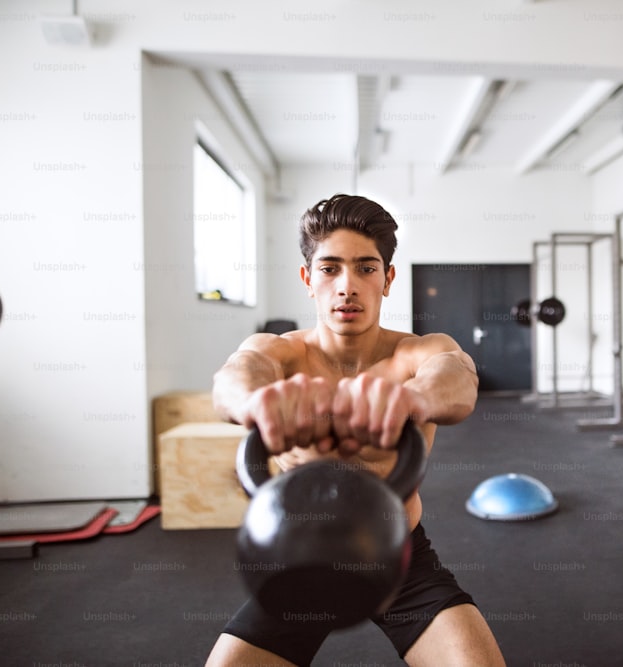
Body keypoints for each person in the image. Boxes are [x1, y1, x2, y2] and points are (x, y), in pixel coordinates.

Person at [205, 194, 506, 667]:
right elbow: (236, 376)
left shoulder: (416, 354)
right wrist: (257, 402)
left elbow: (457, 378)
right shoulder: (282, 354)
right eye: (329, 269)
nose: (347, 286)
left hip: (398, 555)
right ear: (308, 279)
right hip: (295, 556)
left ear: (387, 279)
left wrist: (413, 398)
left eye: (366, 268)